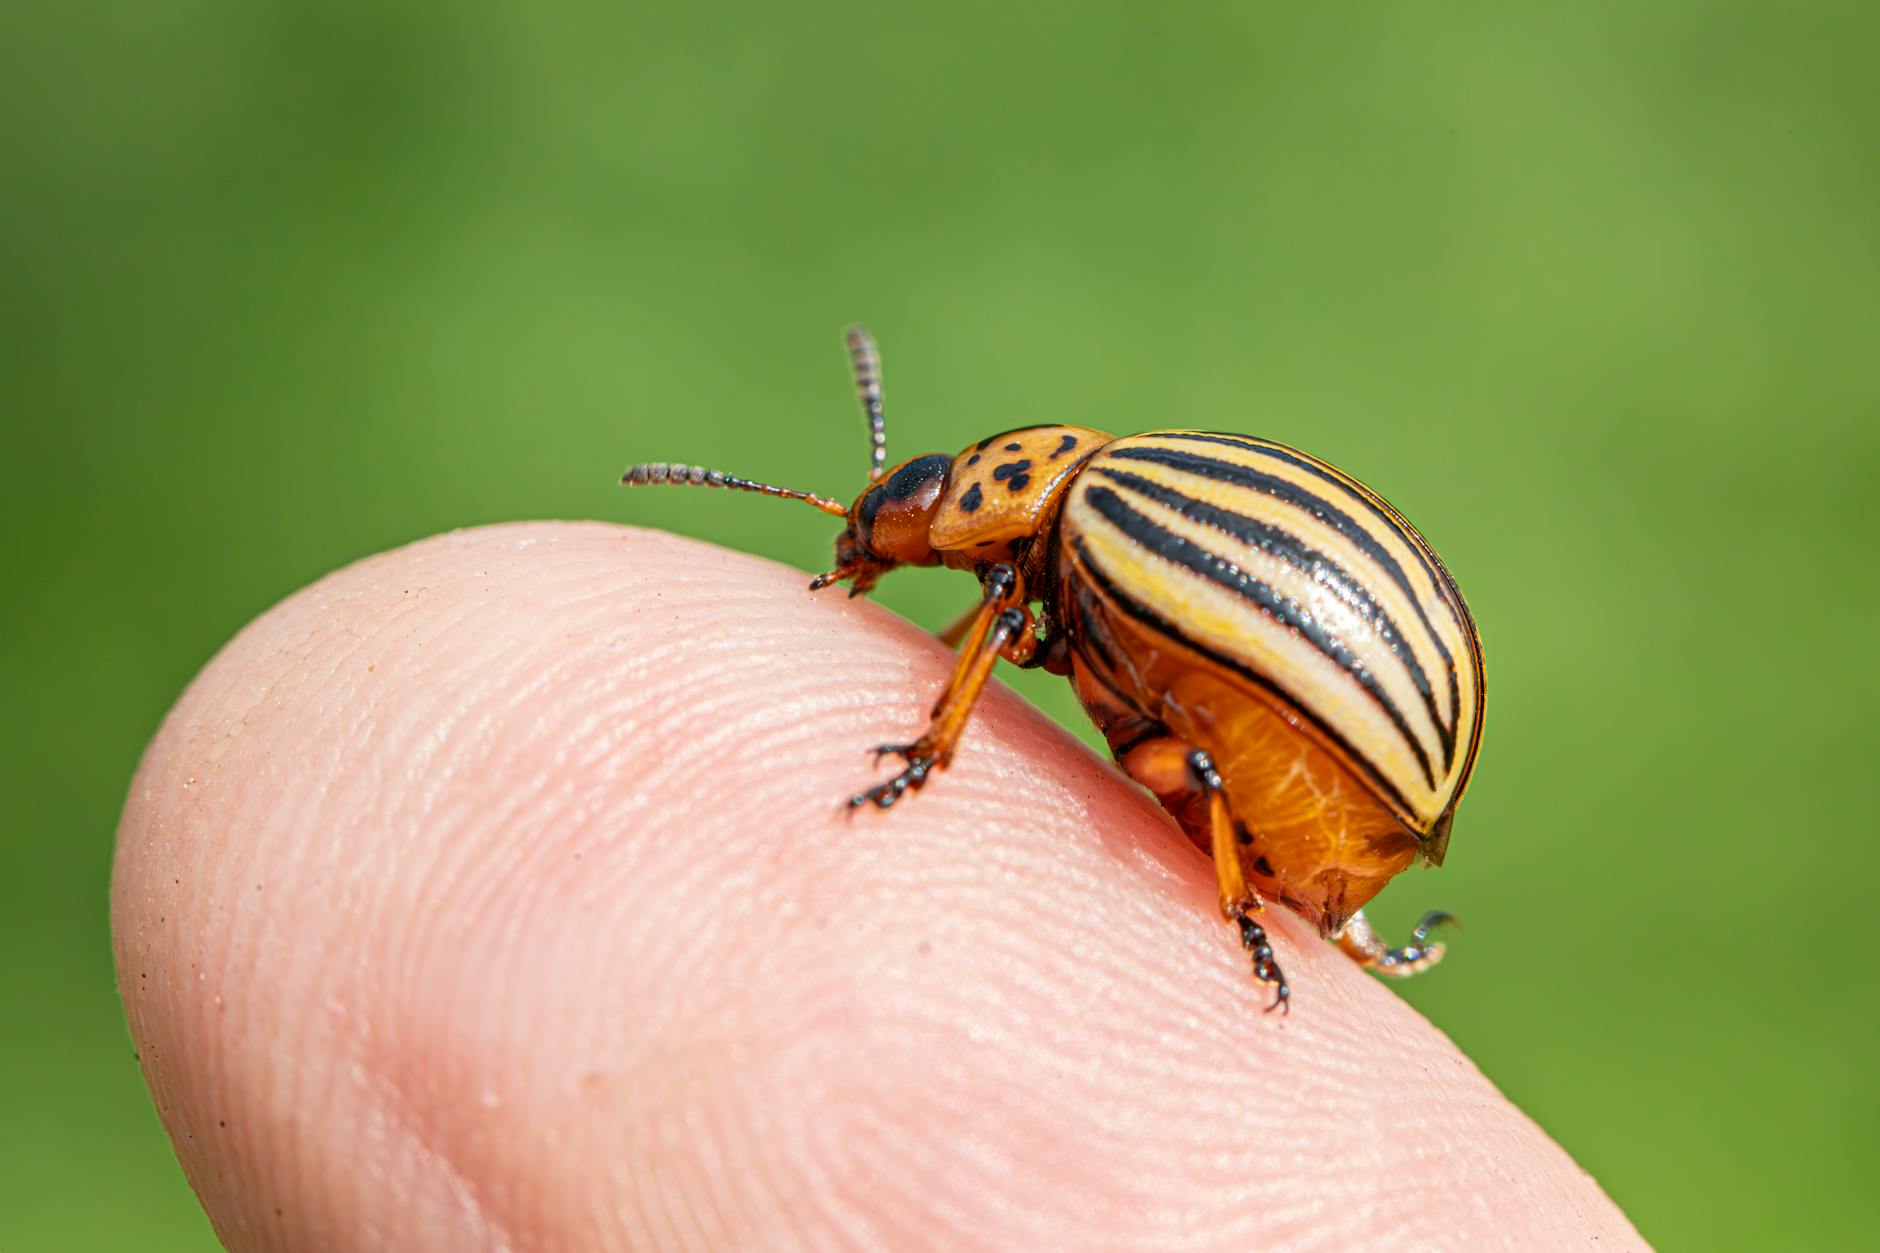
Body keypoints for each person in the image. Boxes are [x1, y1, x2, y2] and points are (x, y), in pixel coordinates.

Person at [113, 523, 1643, 1250]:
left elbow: (1174, 722)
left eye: (901, 523)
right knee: (1207, 772)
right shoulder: (1090, 551)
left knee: (1215, 780)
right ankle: (1305, 902)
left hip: (1333, 732)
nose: (887, 549)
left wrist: (932, 750)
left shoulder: (1062, 561)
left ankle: (1259, 900)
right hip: (1367, 722)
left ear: (987, 505)